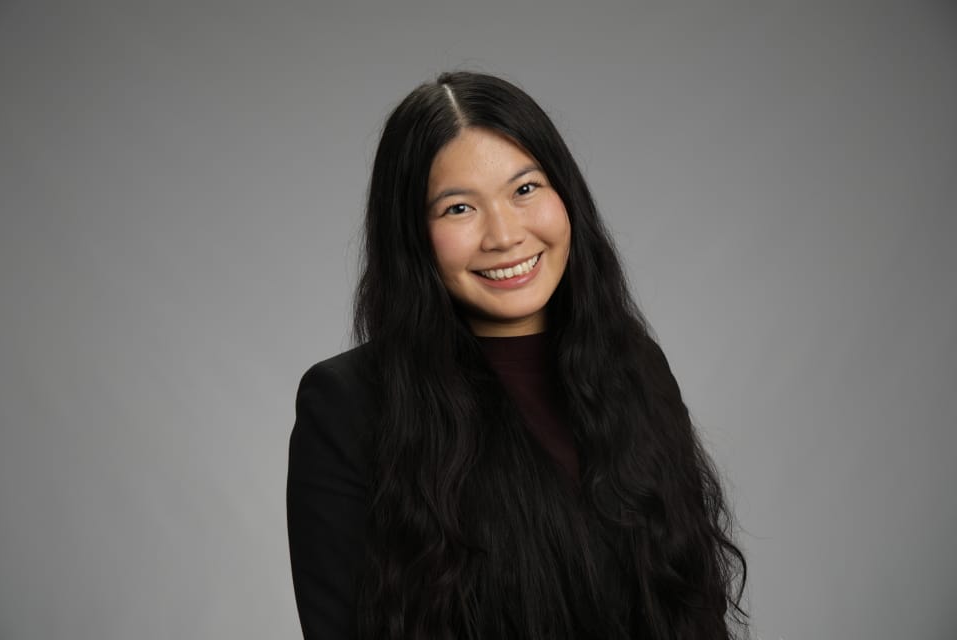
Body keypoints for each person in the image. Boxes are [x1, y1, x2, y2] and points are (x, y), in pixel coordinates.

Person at [287, 71, 746, 640]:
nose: (504, 235)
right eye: (458, 208)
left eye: (525, 189)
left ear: (565, 195)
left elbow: (695, 611)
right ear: (410, 234)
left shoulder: (636, 368)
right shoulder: (348, 404)